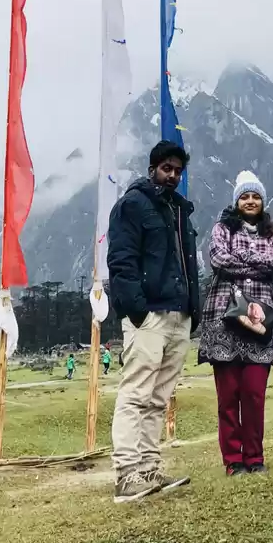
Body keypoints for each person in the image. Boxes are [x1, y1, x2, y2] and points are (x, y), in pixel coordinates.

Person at [107, 140, 200, 503]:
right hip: (149, 315)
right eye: (167, 169)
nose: (172, 176)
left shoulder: (179, 211)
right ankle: (126, 475)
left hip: (179, 314)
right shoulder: (133, 205)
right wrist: (136, 310)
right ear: (152, 169)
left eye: (178, 171)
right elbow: (122, 260)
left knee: (159, 397)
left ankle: (149, 468)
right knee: (136, 392)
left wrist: (191, 308)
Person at [198, 171, 273, 476]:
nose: (250, 201)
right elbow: (218, 259)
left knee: (253, 392)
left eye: (255, 196)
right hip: (224, 317)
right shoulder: (222, 228)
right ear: (237, 202)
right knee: (228, 394)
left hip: (261, 317)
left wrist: (243, 259)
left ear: (263, 201)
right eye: (245, 196)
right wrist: (255, 263)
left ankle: (255, 457)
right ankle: (233, 461)